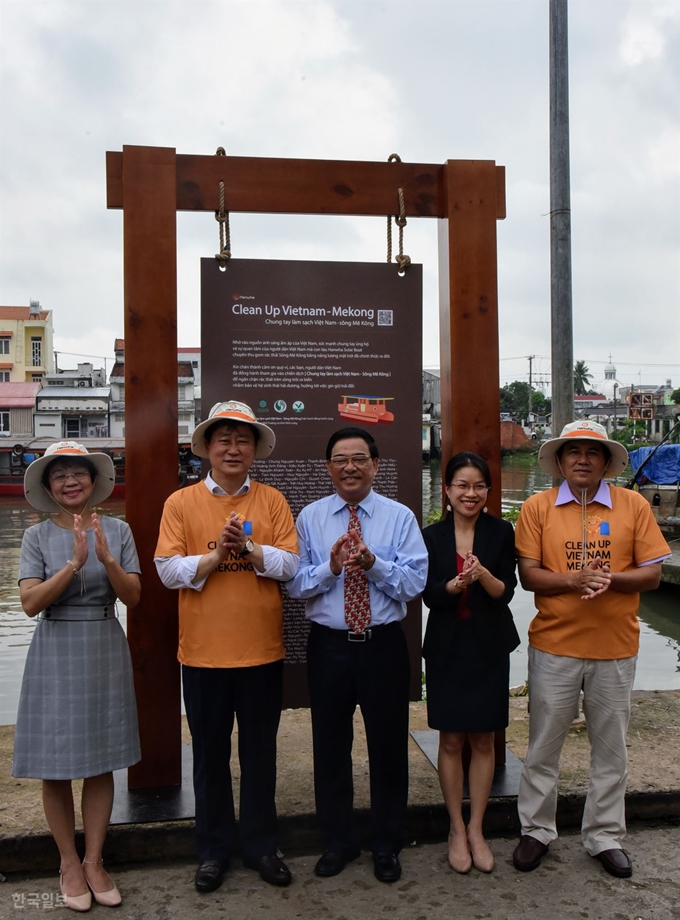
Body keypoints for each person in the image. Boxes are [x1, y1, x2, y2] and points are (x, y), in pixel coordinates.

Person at [512, 420, 671, 878]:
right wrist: (575, 579)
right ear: (559, 461)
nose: (582, 459)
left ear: (606, 462)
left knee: (611, 749)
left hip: (616, 648)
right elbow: (529, 574)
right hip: (554, 645)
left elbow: (653, 574)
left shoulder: (634, 505)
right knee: (543, 744)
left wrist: (610, 579)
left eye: (592, 452)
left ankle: (604, 835)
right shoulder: (537, 507)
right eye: (573, 451)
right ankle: (536, 830)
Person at [154, 401, 299, 893]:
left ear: (255, 449)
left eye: (242, 440)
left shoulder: (274, 501)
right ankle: (213, 849)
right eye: (224, 440)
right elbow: (167, 571)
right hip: (202, 654)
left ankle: (261, 845)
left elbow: (292, 567)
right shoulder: (181, 503)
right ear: (207, 449)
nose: (233, 448)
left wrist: (250, 549)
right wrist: (217, 553)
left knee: (260, 754)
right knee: (210, 756)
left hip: (261, 652)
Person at [286, 427, 428, 883]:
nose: (350, 466)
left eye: (359, 459)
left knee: (388, 748)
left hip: (383, 645)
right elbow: (295, 585)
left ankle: (386, 843)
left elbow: (414, 584)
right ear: (328, 467)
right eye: (341, 459)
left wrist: (373, 563)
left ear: (376, 465)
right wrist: (330, 568)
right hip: (329, 646)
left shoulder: (399, 517)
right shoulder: (310, 517)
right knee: (330, 748)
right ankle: (339, 841)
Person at [13, 441, 141, 912]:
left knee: (100, 757)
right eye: (60, 474)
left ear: (93, 482)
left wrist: (106, 559)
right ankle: (67, 862)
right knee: (54, 759)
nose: (71, 481)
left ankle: (93, 860)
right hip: (54, 646)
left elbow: (135, 597)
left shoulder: (119, 531)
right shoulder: (35, 537)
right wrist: (73, 563)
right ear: (49, 486)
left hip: (104, 642)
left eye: (78, 473)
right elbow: (30, 604)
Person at [422, 452, 518, 874]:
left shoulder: (500, 532)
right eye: (462, 485)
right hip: (447, 648)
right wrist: (453, 583)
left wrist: (481, 577)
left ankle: (477, 827)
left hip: (488, 647)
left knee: (483, 740)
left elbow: (506, 593)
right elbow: (428, 595)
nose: (470, 493)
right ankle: (455, 828)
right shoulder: (431, 536)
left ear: (488, 492)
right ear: (447, 490)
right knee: (450, 740)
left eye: (479, 486)